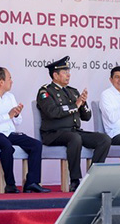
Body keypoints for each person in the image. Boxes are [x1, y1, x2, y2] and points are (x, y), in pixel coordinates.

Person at [36, 56, 110, 192]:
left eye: (68, 71)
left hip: (74, 131)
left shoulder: (73, 91)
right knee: (74, 138)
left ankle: (91, 178)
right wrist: (75, 105)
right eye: (65, 72)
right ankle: (75, 180)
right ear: (55, 75)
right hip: (54, 133)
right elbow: (52, 112)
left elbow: (86, 116)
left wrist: (82, 103)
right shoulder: (45, 91)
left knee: (104, 139)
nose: (68, 74)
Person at [0, 67, 50, 193]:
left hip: (9, 133)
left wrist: (15, 114)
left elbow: (18, 121)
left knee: (36, 145)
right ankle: (10, 184)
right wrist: (8, 116)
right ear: (1, 82)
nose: (12, 81)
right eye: (9, 78)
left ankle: (32, 182)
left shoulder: (10, 97)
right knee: (7, 145)